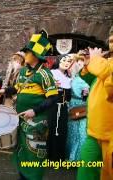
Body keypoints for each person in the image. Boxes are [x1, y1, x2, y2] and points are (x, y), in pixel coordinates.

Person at [12, 30, 58, 180]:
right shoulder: (23, 71)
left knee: (34, 155)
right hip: (20, 120)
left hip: (36, 123)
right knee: (21, 152)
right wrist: (5, 90)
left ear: (36, 56)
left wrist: (35, 110)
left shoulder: (45, 74)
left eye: (27, 52)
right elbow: (18, 89)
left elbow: (53, 98)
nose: (24, 55)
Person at [77, 27, 113, 180]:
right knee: (85, 172)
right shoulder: (107, 62)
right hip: (94, 132)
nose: (112, 44)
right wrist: (86, 65)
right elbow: (95, 81)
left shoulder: (103, 63)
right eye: (111, 41)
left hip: (110, 135)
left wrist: (96, 60)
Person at [48, 54, 74, 161]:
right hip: (53, 107)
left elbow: (68, 97)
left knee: (62, 130)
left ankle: (60, 157)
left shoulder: (69, 78)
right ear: (58, 61)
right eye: (64, 60)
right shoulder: (52, 74)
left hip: (63, 109)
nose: (66, 63)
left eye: (69, 61)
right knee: (52, 130)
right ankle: (51, 156)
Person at [66, 55, 89, 161]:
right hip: (78, 107)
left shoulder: (77, 79)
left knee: (78, 133)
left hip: (78, 107)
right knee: (76, 133)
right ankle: (76, 157)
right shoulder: (75, 79)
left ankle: (75, 157)